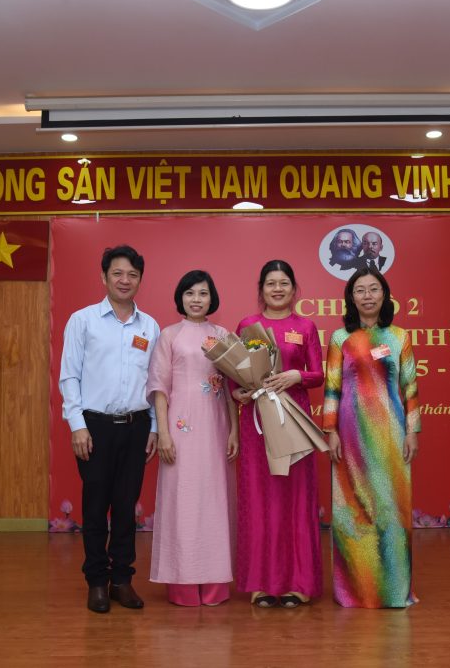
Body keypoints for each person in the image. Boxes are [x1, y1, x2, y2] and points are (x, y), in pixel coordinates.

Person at [59, 245, 160, 614]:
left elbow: (154, 382)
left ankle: (122, 580)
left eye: (132, 274)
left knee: (125, 507)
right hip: (95, 427)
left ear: (140, 280)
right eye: (118, 273)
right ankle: (97, 582)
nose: (124, 280)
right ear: (104, 277)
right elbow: (69, 376)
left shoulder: (149, 326)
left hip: (136, 427)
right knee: (96, 505)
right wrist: (77, 426)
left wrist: (154, 427)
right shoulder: (83, 320)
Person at [322, 267, 420, 608]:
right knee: (352, 509)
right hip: (350, 437)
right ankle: (355, 590)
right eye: (360, 290)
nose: (367, 296)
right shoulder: (340, 338)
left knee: (392, 507)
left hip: (391, 434)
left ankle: (394, 590)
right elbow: (331, 388)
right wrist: (330, 430)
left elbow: (410, 387)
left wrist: (413, 432)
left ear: (384, 294)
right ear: (351, 297)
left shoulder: (399, 337)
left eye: (373, 289)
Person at [231, 260, 323, 608]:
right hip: (257, 423)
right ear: (261, 289)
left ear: (294, 289)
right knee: (260, 497)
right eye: (271, 283)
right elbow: (235, 374)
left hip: (294, 419)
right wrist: (240, 392)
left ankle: (298, 583)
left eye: (284, 283)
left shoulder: (306, 326)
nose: (278, 289)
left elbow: (319, 374)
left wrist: (297, 376)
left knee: (295, 497)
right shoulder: (248, 326)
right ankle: (261, 583)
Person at [147, 270, 239, 606]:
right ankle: (182, 583)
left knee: (215, 501)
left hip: (215, 428)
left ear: (212, 298)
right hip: (180, 429)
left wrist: (234, 429)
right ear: (180, 298)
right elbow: (159, 388)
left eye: (202, 293)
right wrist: (163, 433)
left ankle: (215, 584)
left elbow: (230, 387)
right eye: (190, 293)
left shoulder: (222, 336)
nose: (196, 299)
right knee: (181, 502)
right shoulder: (169, 335)